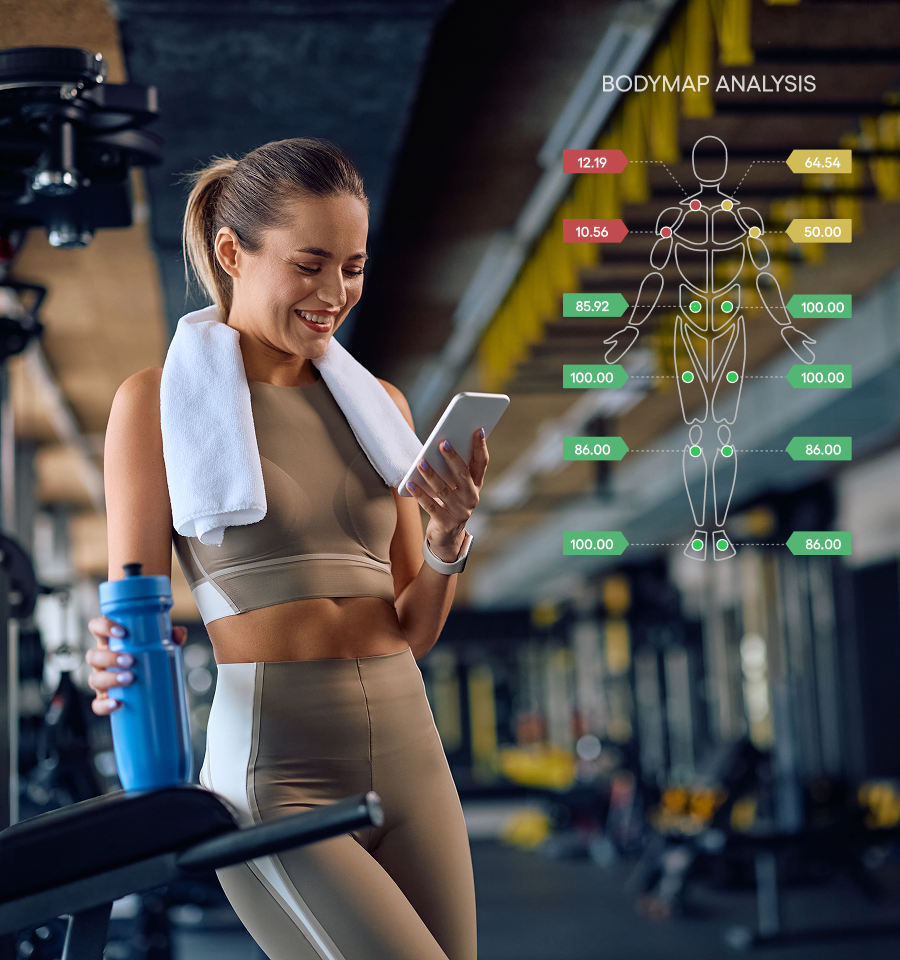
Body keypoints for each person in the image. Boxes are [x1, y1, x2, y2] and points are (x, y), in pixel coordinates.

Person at [86, 138, 487, 960]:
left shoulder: (379, 402)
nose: (335, 293)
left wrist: (449, 544)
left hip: (412, 752)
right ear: (233, 253)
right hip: (276, 773)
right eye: (310, 264)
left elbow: (412, 627)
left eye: (353, 267)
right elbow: (134, 609)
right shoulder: (157, 404)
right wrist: (113, 661)